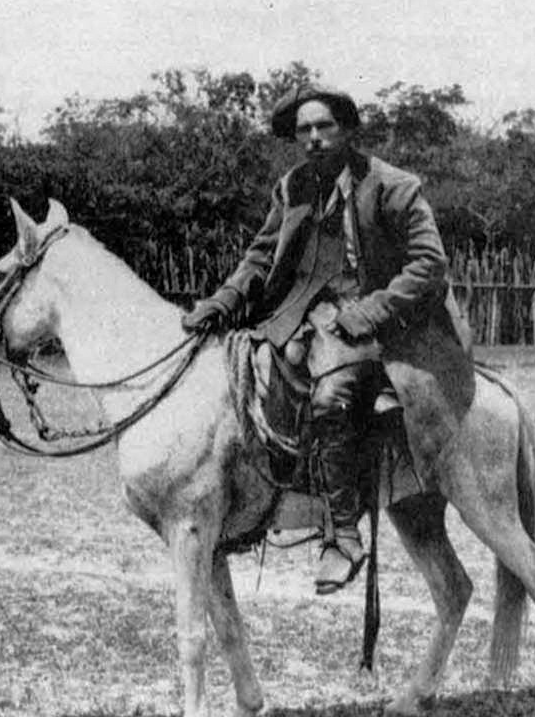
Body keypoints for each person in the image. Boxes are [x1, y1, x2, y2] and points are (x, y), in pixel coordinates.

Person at [181, 84, 472, 594]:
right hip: (304, 314)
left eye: (324, 127)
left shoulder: (393, 185)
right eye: (304, 131)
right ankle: (246, 510)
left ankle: (342, 535)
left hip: (383, 321)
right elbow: (260, 257)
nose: (314, 138)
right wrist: (222, 302)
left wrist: (374, 309)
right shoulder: (293, 187)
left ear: (347, 129)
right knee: (246, 374)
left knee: (331, 396)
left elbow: (430, 263)